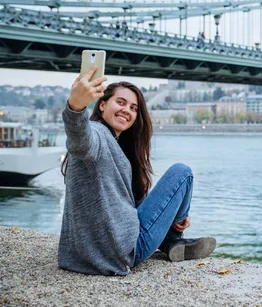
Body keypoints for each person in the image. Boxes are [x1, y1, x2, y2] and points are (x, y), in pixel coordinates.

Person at [59, 66, 216, 275]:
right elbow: (80, 139)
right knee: (182, 173)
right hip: (123, 251)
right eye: (121, 102)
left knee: (154, 198)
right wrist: (76, 107)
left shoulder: (114, 145)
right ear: (103, 105)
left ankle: (170, 236)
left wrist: (168, 218)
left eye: (133, 108)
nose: (127, 110)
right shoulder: (96, 134)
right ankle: (172, 241)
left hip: (85, 254)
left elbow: (127, 202)